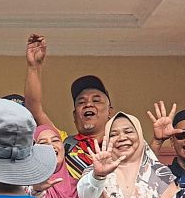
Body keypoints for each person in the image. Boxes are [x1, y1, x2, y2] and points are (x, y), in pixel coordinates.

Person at [24, 34, 116, 179]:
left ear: (110, 111)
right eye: (81, 102)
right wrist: (34, 68)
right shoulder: (64, 143)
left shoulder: (122, 144)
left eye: (96, 100)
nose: (88, 104)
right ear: (74, 115)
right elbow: (34, 109)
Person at [30, 123, 83, 198]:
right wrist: (37, 191)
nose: (51, 145)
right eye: (43, 143)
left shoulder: (79, 186)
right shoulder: (26, 185)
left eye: (55, 140)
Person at [147, 104, 185, 181]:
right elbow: (142, 173)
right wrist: (157, 141)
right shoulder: (162, 176)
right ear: (172, 141)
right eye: (181, 134)